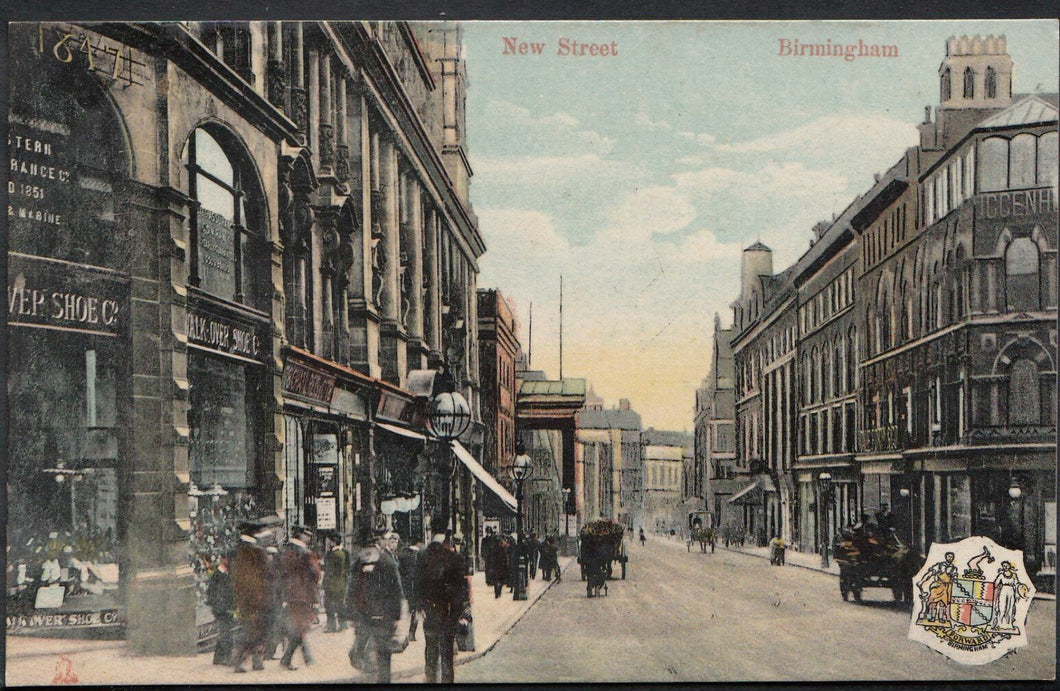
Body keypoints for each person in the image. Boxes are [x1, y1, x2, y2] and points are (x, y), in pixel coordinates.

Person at [347, 528, 407, 683]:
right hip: (383, 616)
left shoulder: (359, 561)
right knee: (383, 657)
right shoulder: (387, 561)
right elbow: (396, 591)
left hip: (364, 614)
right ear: (380, 541)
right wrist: (397, 617)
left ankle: (365, 671)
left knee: (363, 648)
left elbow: (352, 588)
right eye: (385, 539)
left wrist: (351, 613)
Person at [417, 519, 470, 684]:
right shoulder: (455, 557)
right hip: (448, 612)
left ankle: (430, 680)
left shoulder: (423, 555)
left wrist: (420, 606)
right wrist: (459, 611)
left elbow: (417, 584)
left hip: (430, 611)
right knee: (447, 654)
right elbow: (462, 588)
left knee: (431, 652)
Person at [279, 526, 321, 670]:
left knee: (299, 627)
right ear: (301, 536)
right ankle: (298, 659)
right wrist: (315, 599)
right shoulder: (306, 554)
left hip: (289, 596)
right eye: (307, 535)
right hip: (304, 596)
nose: (309, 537)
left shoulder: (284, 552)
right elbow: (315, 575)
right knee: (301, 628)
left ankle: (300, 659)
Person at [230, 524, 269, 673]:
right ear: (255, 533)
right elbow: (266, 574)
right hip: (256, 597)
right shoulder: (257, 551)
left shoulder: (236, 550)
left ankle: (256, 661)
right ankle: (239, 659)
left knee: (253, 628)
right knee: (253, 630)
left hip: (243, 598)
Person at [206, 554, 235, 666]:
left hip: (227, 607)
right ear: (223, 560)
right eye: (227, 559)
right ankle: (227, 658)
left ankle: (218, 658)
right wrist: (217, 606)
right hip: (221, 608)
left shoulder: (228, 572)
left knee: (225, 632)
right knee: (226, 633)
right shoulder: (218, 574)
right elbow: (212, 592)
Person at [917, 552, 958, 623]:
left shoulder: (953, 569)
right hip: (937, 586)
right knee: (932, 602)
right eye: (949, 556)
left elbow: (955, 578)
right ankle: (932, 617)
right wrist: (922, 581)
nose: (950, 558)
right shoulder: (939, 565)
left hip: (946, 588)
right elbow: (930, 574)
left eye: (951, 557)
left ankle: (941, 618)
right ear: (946, 557)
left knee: (943, 604)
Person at [322, 533, 349, 633]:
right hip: (340, 583)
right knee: (339, 604)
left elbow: (328, 569)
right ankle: (342, 623)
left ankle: (332, 626)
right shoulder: (344, 552)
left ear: (333, 541)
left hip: (332, 583)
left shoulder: (332, 554)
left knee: (329, 604)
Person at [397, 537, 423, 642]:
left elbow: (400, 570)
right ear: (418, 543)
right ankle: (412, 633)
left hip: (406, 586)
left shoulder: (403, 554)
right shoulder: (420, 555)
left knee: (407, 609)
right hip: (417, 586)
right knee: (415, 611)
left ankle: (403, 634)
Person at [262, 545, 285, 660]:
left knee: (274, 628)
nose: (269, 557)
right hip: (269, 603)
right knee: (271, 628)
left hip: (274, 602)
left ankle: (269, 652)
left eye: (271, 555)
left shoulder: (275, 570)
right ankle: (268, 653)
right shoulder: (267, 569)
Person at [991, 561, 1027, 631]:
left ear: (1009, 566)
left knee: (1010, 607)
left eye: (1006, 565)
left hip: (1011, 591)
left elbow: (1017, 583)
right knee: (1002, 606)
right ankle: (1000, 624)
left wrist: (1021, 591)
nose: (1005, 567)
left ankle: (1009, 624)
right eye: (1004, 566)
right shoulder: (1001, 575)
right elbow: (996, 583)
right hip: (1003, 590)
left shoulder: (1013, 575)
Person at [486, 534, 511, 599]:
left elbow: (489, 558)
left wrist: (490, 567)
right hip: (501, 567)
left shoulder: (492, 549)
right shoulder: (502, 549)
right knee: (501, 580)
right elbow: (505, 558)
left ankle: (497, 592)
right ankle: (498, 591)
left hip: (495, 567)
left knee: (496, 580)